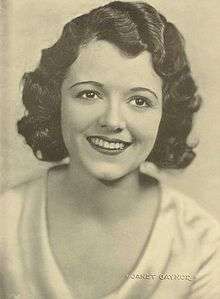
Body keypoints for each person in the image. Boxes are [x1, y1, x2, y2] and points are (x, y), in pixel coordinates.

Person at [0, 1, 220, 298]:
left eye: (140, 101)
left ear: (165, 115)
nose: (112, 121)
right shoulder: (7, 221)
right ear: (56, 102)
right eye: (89, 94)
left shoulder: (201, 243)